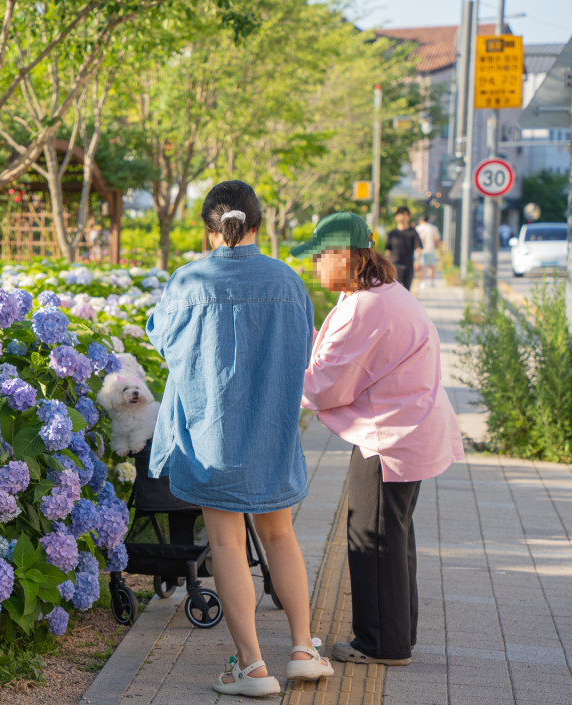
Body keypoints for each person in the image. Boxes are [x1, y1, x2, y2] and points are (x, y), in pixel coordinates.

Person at [147, 180, 333, 697]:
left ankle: (251, 667)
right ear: (257, 225)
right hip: (271, 431)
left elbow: (161, 340)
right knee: (280, 536)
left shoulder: (187, 281)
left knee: (226, 543)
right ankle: (302, 650)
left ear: (210, 231)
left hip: (212, 439)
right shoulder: (289, 282)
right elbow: (303, 349)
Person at [293, 212, 464, 667]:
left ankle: (380, 644)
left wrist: (281, 373)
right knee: (394, 536)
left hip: (390, 438)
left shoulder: (366, 306)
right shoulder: (382, 294)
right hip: (407, 430)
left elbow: (328, 383)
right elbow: (338, 358)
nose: (316, 268)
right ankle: (397, 635)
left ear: (345, 256)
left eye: (320, 258)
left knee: (371, 537)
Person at [385, 206, 420, 290]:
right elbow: (388, 250)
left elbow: (418, 248)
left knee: (407, 289)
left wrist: (417, 261)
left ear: (409, 217)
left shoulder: (413, 233)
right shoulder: (392, 233)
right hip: (394, 265)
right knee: (394, 289)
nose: (402, 217)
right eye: (400, 214)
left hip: (408, 265)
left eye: (405, 214)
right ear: (396, 217)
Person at [414, 214, 441, 289]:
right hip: (431, 250)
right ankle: (432, 281)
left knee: (422, 267)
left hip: (420, 250)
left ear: (421, 220)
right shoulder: (433, 228)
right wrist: (441, 250)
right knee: (431, 266)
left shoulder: (418, 228)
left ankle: (422, 282)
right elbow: (437, 240)